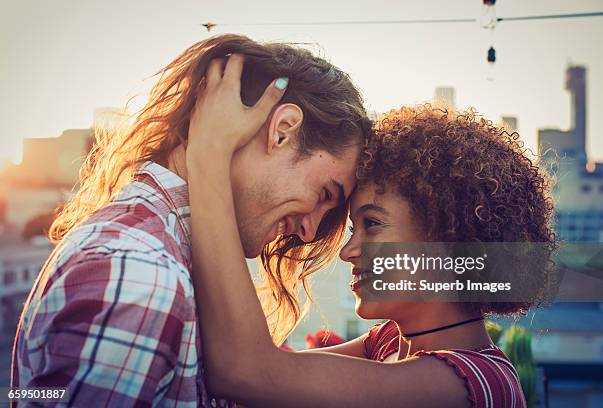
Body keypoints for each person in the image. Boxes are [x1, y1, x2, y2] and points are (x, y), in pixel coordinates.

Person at [11, 35, 371, 406]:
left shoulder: (167, 257)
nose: (309, 230)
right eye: (325, 196)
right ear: (282, 131)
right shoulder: (140, 273)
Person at [185, 57, 557, 407]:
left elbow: (250, 373)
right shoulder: (389, 343)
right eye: (353, 228)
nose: (347, 251)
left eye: (373, 225)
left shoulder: (478, 383)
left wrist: (210, 153)